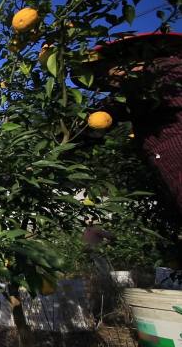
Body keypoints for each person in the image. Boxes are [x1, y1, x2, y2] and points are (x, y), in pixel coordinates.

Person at [74, 32, 182, 216]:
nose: (109, 81)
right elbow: (105, 115)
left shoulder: (168, 71)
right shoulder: (135, 96)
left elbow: (113, 108)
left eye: (107, 70)